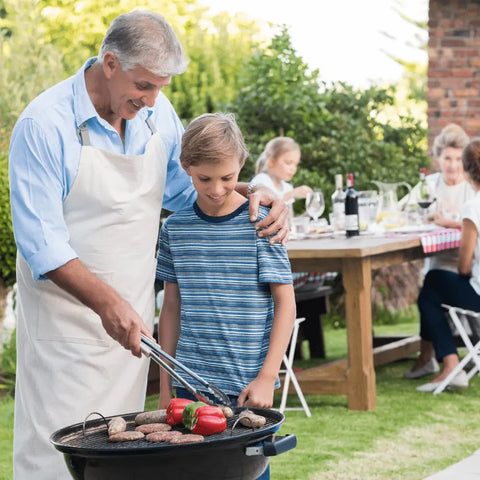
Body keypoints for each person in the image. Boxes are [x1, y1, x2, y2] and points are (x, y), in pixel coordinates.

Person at [8, 10, 288, 479]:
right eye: (144, 86)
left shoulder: (154, 114)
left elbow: (189, 191)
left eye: (160, 87)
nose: (153, 99)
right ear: (110, 62)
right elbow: (41, 242)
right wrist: (108, 303)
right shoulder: (44, 124)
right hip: (66, 333)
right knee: (56, 461)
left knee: (129, 458)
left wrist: (254, 194)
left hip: (133, 332)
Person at [156, 113, 296, 479]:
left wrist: (268, 376)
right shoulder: (174, 229)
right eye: (204, 179)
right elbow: (171, 308)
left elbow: (285, 302)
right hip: (189, 385)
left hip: (248, 388)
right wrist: (163, 386)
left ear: (242, 166)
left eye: (228, 178)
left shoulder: (262, 222)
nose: (217, 189)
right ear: (186, 166)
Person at [403, 124, 474, 380]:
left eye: (458, 159)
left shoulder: (473, 190)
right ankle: (434, 359)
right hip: (439, 261)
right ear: (438, 158)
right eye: (447, 158)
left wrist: (449, 223)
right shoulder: (429, 184)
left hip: (466, 267)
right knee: (431, 281)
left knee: (430, 289)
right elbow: (404, 214)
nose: (453, 165)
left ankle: (440, 360)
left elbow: (471, 224)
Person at [251, 136, 312, 203]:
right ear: (271, 162)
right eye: (288, 163)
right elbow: (265, 211)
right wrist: (290, 195)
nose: (293, 169)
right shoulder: (261, 181)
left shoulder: (287, 187)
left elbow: (288, 214)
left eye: (296, 164)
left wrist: (310, 212)